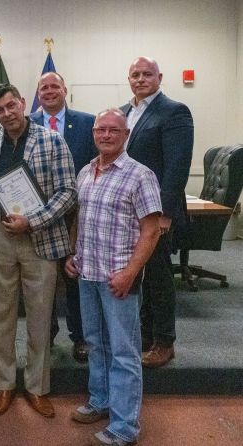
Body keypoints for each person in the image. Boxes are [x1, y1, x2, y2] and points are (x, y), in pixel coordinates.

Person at [0, 83, 76, 418]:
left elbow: (68, 192)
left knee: (39, 318)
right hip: (0, 239)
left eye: (11, 106)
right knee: (0, 315)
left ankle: (37, 388)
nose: (6, 114)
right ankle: (3, 385)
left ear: (23, 103)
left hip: (40, 238)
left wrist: (33, 221)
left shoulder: (52, 141)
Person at [66, 109, 161, 446]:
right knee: (95, 343)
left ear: (126, 134)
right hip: (87, 272)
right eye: (100, 129)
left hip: (119, 276)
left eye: (113, 130)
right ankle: (101, 400)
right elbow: (81, 216)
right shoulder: (85, 171)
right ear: (93, 133)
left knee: (124, 352)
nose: (105, 135)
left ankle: (124, 427)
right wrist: (72, 255)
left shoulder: (140, 175)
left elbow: (151, 232)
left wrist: (130, 272)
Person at [120, 57, 194, 368]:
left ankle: (165, 341)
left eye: (146, 74)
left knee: (159, 277)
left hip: (156, 213)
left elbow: (177, 167)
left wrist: (164, 215)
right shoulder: (124, 112)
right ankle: (147, 336)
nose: (140, 79)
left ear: (159, 77)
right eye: (135, 74)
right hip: (127, 211)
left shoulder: (174, 111)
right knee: (140, 275)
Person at [30, 71, 97, 362]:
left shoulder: (88, 122)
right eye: (43, 87)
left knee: (74, 275)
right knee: (42, 279)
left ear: (65, 90)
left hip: (77, 212)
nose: (49, 91)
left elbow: (99, 161)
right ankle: (46, 334)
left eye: (54, 86)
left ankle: (80, 336)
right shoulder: (27, 123)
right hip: (40, 214)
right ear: (38, 93)